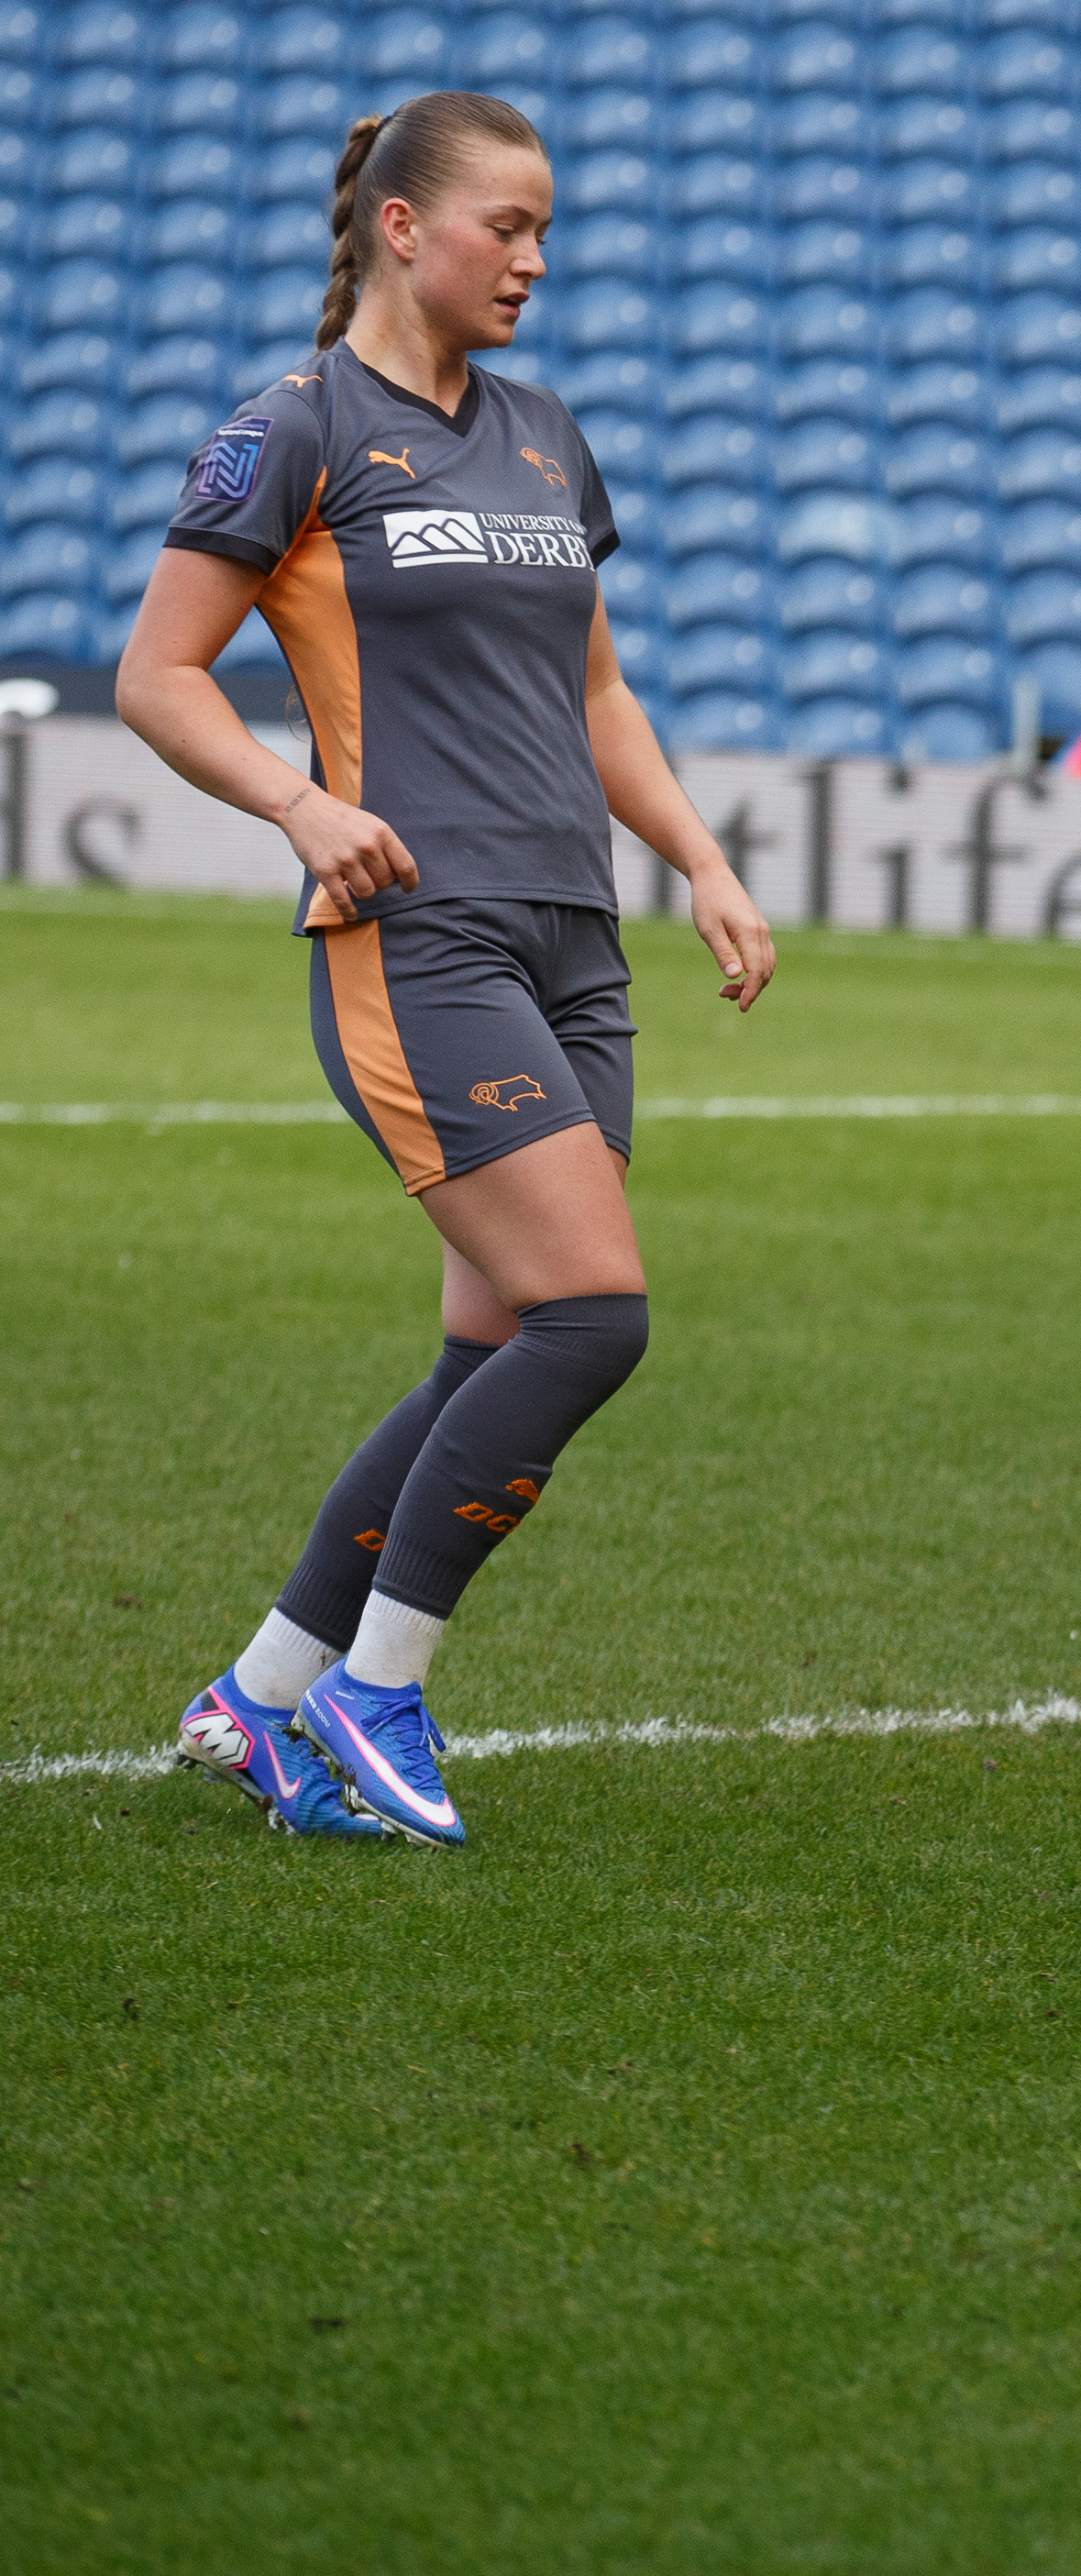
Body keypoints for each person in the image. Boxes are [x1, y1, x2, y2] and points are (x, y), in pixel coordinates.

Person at [117, 89, 775, 1849]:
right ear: (403, 225)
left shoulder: (549, 434)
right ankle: (376, 1684)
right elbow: (159, 676)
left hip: (577, 938)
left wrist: (699, 859)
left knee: (487, 1349)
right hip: (423, 934)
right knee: (592, 1313)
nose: (535, 261)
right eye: (508, 225)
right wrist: (299, 806)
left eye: (547, 229)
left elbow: (597, 690)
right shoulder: (297, 427)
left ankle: (257, 1699)